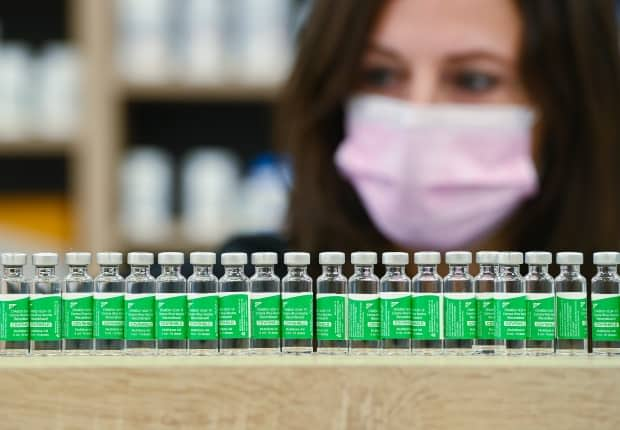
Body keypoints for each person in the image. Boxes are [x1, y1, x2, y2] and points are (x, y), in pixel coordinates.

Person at [223, 0, 620, 277]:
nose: (418, 114)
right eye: (380, 75)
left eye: (473, 80)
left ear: (566, 104)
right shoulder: (248, 288)